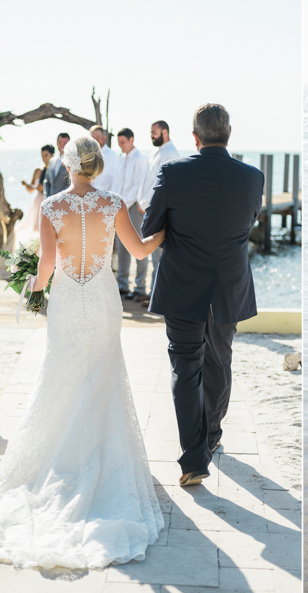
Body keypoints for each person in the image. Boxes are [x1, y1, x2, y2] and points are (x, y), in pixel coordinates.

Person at [0, 136, 166, 569]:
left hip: (66, 301)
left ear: (66, 165)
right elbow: (137, 251)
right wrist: (163, 232)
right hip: (101, 303)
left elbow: (45, 266)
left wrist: (34, 296)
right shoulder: (114, 203)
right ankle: (98, 457)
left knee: (61, 377)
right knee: (102, 377)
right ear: (97, 165)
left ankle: (61, 460)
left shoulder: (52, 207)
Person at [141, 104, 262, 486]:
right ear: (229, 134)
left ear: (195, 137)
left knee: (185, 366)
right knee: (220, 359)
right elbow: (249, 223)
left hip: (182, 285)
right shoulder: (253, 177)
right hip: (229, 285)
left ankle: (195, 459)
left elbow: (151, 226)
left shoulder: (174, 172)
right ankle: (211, 436)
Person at [136, 121, 180, 304]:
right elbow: (147, 180)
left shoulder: (171, 154)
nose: (151, 135)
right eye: (150, 132)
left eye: (154, 132)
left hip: (159, 212)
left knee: (161, 257)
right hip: (148, 210)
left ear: (165, 132)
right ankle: (155, 292)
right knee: (155, 257)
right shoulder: (155, 152)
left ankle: (161, 297)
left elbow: (168, 186)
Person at [114, 128, 150, 299]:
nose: (121, 145)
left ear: (131, 140)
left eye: (123, 142)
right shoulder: (120, 160)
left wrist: (126, 204)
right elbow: (117, 184)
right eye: (119, 143)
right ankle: (122, 285)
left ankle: (140, 287)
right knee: (121, 248)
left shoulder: (140, 159)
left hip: (134, 207)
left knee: (139, 247)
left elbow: (139, 185)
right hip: (120, 207)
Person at [15, 144, 54, 237]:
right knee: (36, 228)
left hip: (49, 200)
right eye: (42, 155)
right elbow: (31, 190)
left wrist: (44, 188)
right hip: (38, 201)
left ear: (52, 155)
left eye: (46, 155)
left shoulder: (55, 170)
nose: (44, 158)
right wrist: (26, 184)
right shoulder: (38, 171)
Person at [89, 125, 120, 193]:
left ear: (105, 138)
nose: (95, 140)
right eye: (93, 137)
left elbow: (108, 180)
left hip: (104, 197)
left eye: (98, 137)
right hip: (90, 195)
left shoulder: (112, 155)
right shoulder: (88, 155)